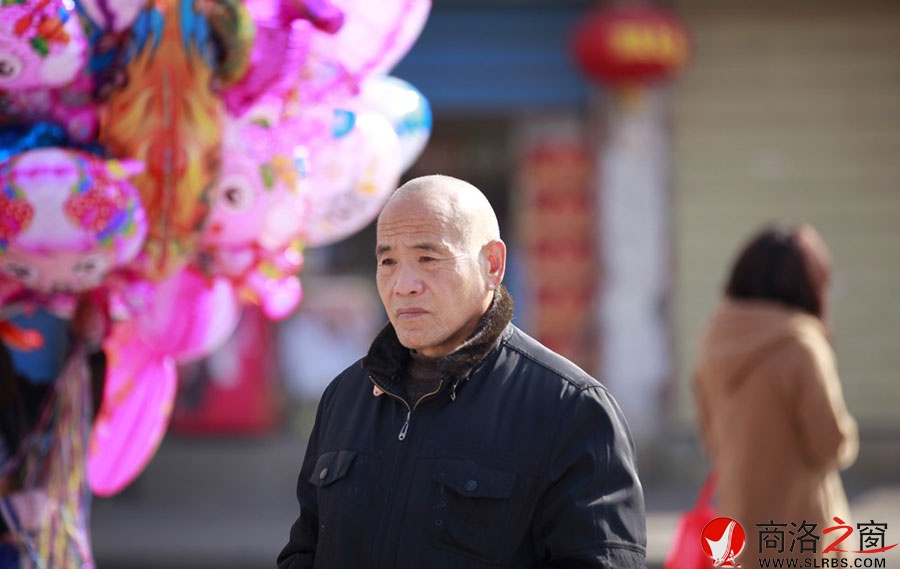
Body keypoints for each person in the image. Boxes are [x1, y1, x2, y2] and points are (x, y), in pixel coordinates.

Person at [278, 175, 646, 568]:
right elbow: (304, 551)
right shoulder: (346, 396)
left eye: (428, 259)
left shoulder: (569, 408)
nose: (403, 285)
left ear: (492, 265)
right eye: (388, 261)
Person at [693, 223, 858, 565]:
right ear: (809, 284)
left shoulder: (713, 342)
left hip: (739, 533)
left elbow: (711, 439)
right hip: (803, 537)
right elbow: (829, 444)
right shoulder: (801, 346)